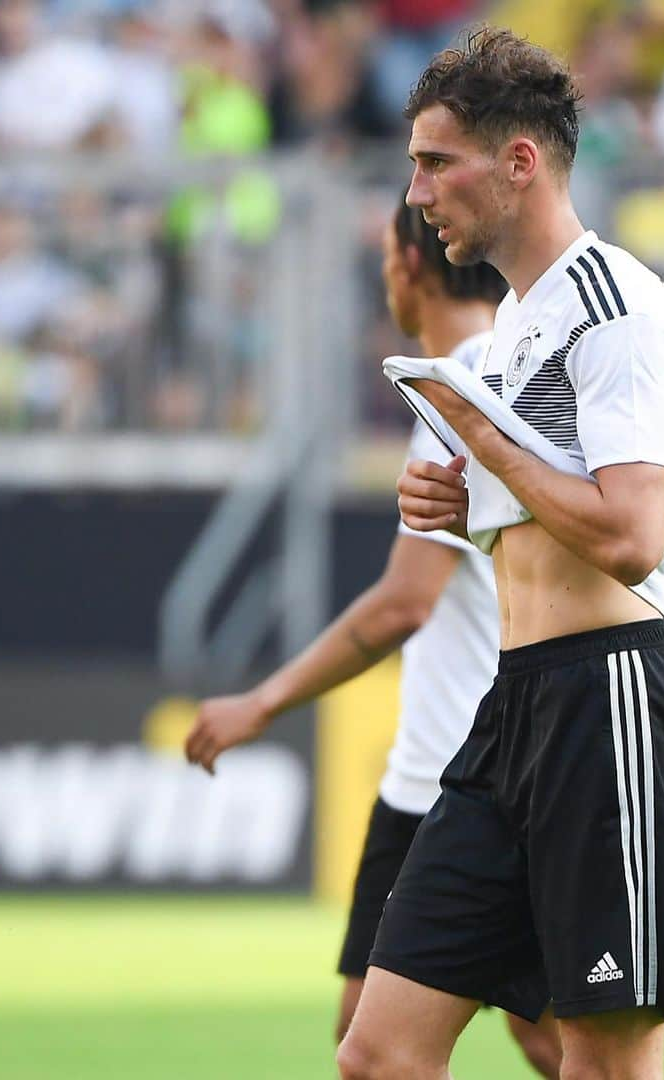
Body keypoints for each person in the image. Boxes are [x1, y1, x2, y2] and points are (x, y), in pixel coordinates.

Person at [339, 29, 664, 1080]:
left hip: (609, 704)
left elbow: (632, 538)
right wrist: (466, 501)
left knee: (597, 1065)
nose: (417, 193)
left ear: (520, 162)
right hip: (512, 709)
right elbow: (558, 507)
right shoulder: (512, 324)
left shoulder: (619, 312)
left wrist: (486, 440)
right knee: (378, 1052)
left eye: (435, 161)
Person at [184, 193, 562, 1076]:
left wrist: (262, 699)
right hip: (441, 773)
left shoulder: (458, 394)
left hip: (466, 778)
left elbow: (403, 603)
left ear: (404, 267)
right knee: (405, 1033)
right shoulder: (504, 370)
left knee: (473, 1042)